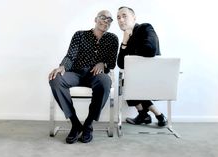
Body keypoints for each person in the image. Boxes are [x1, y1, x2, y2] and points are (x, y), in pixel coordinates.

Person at [49, 10, 119, 144]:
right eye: (103, 17)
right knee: (55, 78)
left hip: (96, 75)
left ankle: (88, 124)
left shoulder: (113, 39)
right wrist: (62, 66)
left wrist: (102, 63)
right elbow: (71, 55)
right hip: (76, 73)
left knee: (105, 81)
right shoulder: (80, 35)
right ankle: (75, 124)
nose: (106, 21)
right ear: (95, 19)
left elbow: (111, 63)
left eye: (109, 19)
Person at [116, 6, 167, 127]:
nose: (121, 20)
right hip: (137, 79)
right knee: (128, 81)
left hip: (152, 76)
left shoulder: (145, 27)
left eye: (124, 16)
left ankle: (145, 115)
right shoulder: (126, 38)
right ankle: (152, 115)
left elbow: (151, 49)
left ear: (134, 17)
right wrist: (124, 42)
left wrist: (131, 53)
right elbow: (120, 64)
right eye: (118, 17)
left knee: (129, 82)